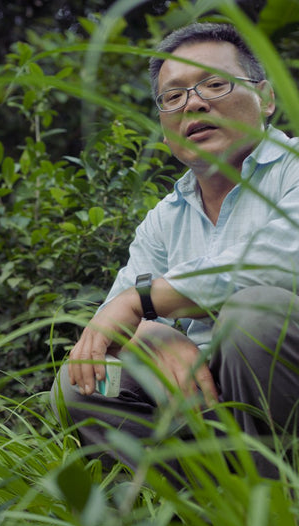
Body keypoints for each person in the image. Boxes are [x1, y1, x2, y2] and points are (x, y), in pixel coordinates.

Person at [51, 22, 299, 479]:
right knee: (83, 378)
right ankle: (201, 524)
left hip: (285, 391)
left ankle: (279, 514)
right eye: (174, 96)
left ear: (265, 98)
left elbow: (279, 265)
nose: (196, 102)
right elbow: (109, 325)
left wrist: (141, 301)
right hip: (196, 402)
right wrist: (149, 333)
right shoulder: (163, 219)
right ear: (166, 131)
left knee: (256, 313)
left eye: (215, 83)